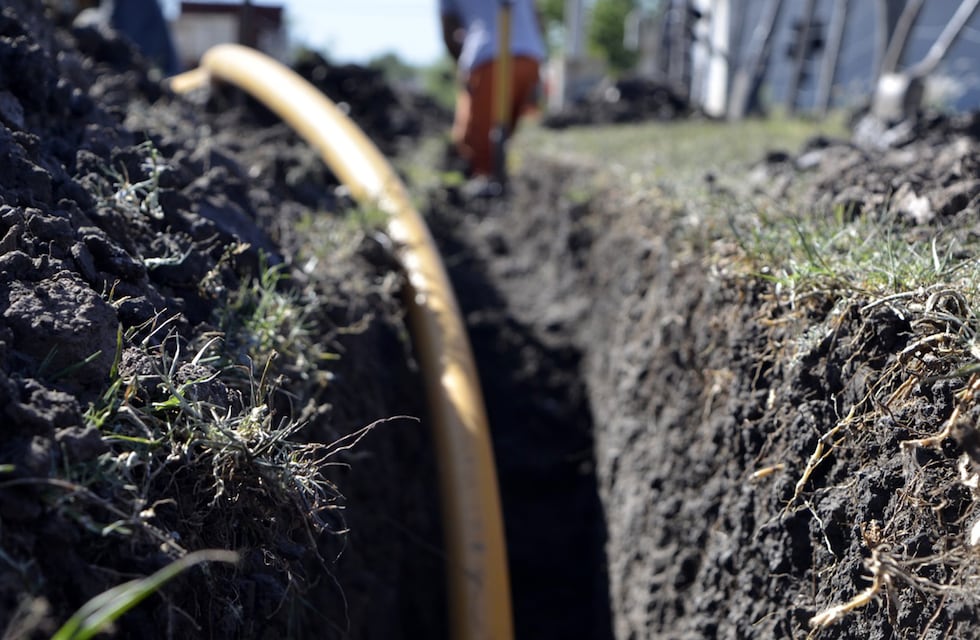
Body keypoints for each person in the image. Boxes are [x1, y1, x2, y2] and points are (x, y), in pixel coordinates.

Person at [440, 0, 546, 194]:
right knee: (508, 130)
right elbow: (538, 20)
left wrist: (463, 67)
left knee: (473, 138)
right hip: (530, 56)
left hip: (487, 58)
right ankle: (505, 183)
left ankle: (486, 185)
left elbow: (448, 31)